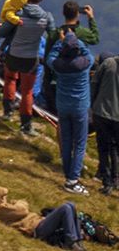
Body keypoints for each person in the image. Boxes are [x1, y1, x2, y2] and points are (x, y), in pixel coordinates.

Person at [54, 19, 95, 194]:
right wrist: (75, 39)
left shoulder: (57, 64)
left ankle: (67, 173)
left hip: (62, 105)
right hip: (80, 107)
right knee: (79, 143)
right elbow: (89, 54)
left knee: (66, 140)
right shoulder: (85, 64)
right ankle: (73, 180)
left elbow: (51, 56)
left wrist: (61, 40)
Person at [7, 0, 54, 135]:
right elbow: (52, 37)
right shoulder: (46, 17)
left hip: (14, 53)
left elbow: (5, 30)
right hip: (31, 57)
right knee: (27, 92)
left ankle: (7, 113)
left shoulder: (18, 13)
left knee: (10, 80)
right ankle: (26, 126)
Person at [0, 185, 88, 247]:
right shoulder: (0, 210)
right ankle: (71, 240)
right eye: (3, 196)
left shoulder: (4, 207)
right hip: (36, 228)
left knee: (71, 205)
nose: (6, 197)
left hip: (39, 222)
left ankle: (77, 241)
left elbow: (21, 207)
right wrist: (17, 202)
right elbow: (23, 208)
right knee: (65, 208)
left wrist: (15, 203)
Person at [92, 51, 119, 194]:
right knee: (115, 149)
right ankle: (116, 179)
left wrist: (93, 104)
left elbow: (94, 83)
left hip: (101, 112)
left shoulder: (108, 63)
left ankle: (107, 182)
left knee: (103, 148)